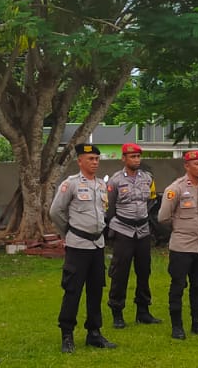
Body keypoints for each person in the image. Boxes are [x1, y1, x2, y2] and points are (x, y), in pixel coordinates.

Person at [49, 143, 117, 353]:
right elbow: (55, 211)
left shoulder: (100, 185)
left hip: (97, 245)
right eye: (90, 159)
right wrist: (69, 231)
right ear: (80, 161)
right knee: (73, 290)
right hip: (78, 245)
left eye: (97, 159)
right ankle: (67, 334)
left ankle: (94, 332)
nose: (94, 163)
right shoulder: (71, 184)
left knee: (96, 290)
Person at [158, 150, 198, 340]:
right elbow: (163, 217)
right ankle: (177, 326)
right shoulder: (175, 188)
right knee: (178, 286)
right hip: (182, 247)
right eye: (196, 164)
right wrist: (180, 228)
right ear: (187, 166)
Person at [105, 142, 160, 327]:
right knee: (120, 273)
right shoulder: (115, 180)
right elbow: (109, 207)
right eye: (132, 157)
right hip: (123, 230)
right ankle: (117, 312)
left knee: (144, 271)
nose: (136, 160)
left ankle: (143, 311)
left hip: (143, 231)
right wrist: (111, 231)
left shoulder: (148, 178)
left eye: (138, 156)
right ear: (124, 158)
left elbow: (151, 201)